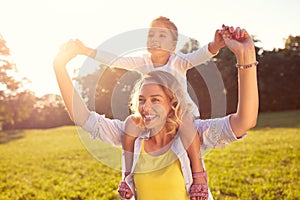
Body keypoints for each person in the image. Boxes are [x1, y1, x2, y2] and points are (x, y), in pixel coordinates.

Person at [53, 25, 259, 200]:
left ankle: (200, 176)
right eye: (141, 100)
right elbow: (83, 118)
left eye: (155, 100)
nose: (146, 108)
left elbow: (244, 121)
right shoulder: (132, 135)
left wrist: (245, 56)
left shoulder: (192, 134)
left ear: (172, 104)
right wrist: (59, 67)